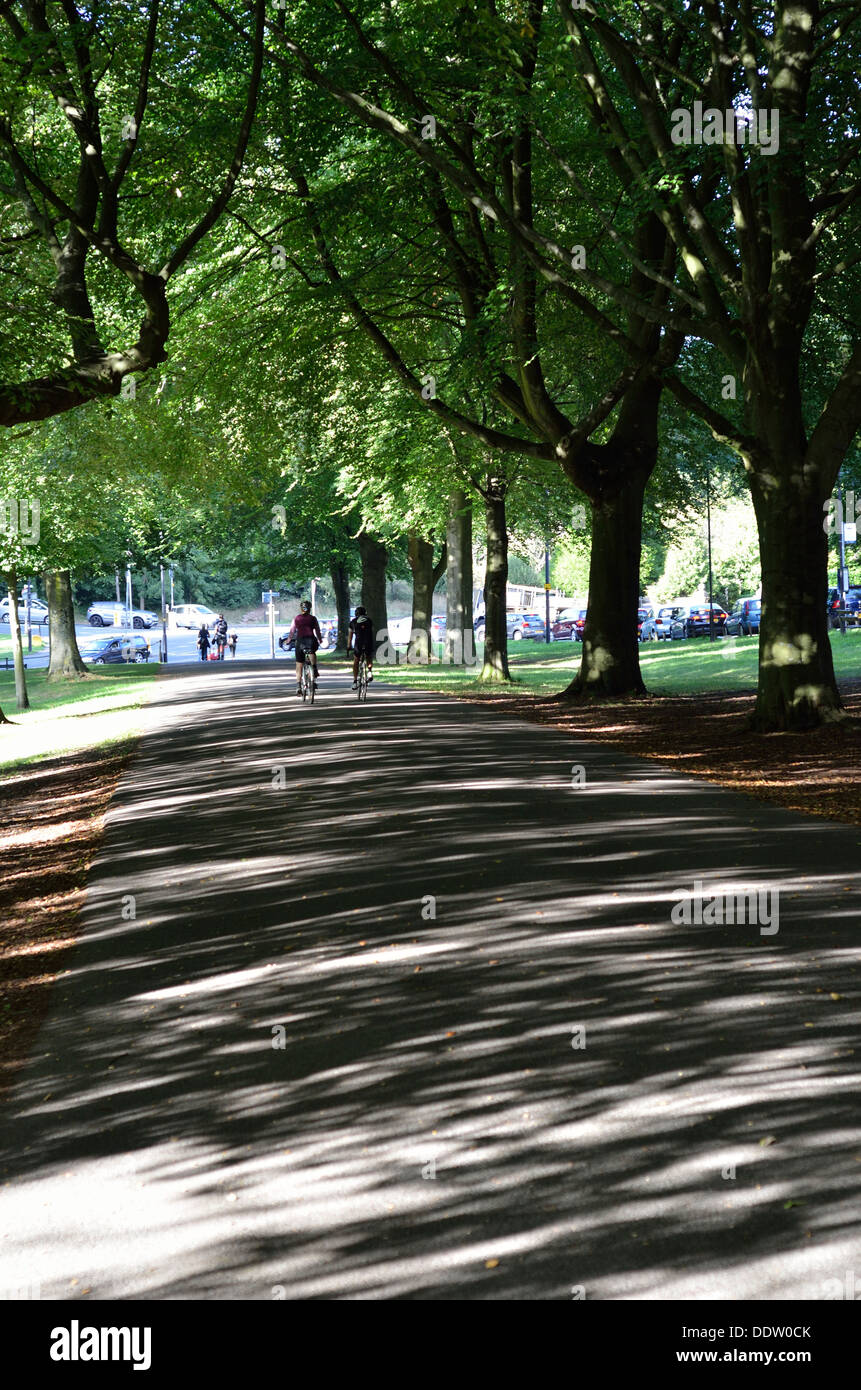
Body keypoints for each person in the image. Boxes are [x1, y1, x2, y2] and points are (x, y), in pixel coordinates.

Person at [287, 599, 322, 694]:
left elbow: (292, 631)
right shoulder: (313, 618)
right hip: (311, 640)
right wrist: (320, 640)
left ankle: (298, 685)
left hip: (300, 641)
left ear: (301, 609)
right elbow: (317, 631)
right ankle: (314, 669)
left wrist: (288, 640)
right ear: (309, 609)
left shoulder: (296, 618)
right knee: (312, 652)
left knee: (299, 664)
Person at [348, 605, 375, 688]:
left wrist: (348, 646)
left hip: (358, 643)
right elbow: (372, 631)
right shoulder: (369, 620)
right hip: (368, 641)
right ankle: (369, 671)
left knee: (356, 660)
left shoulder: (353, 622)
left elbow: (350, 636)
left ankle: (355, 681)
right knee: (368, 656)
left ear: (356, 614)